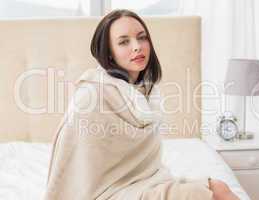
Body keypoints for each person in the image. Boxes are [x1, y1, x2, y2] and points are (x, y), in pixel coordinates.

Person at [44, 9, 239, 200]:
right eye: (123, 42)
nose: (137, 46)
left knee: (218, 188)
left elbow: (147, 165)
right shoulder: (91, 95)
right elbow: (71, 167)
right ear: (109, 52)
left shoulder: (148, 93)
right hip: (110, 192)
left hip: (149, 182)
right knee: (217, 191)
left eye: (142, 37)